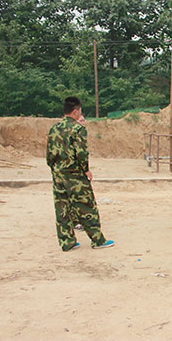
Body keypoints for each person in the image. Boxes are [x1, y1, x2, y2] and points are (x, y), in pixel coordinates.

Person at [46, 97, 114, 251]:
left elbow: (49, 155)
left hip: (58, 174)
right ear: (75, 112)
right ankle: (97, 240)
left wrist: (56, 169)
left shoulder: (54, 129)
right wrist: (86, 169)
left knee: (62, 208)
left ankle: (67, 242)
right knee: (87, 206)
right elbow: (81, 153)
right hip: (75, 175)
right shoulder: (78, 129)